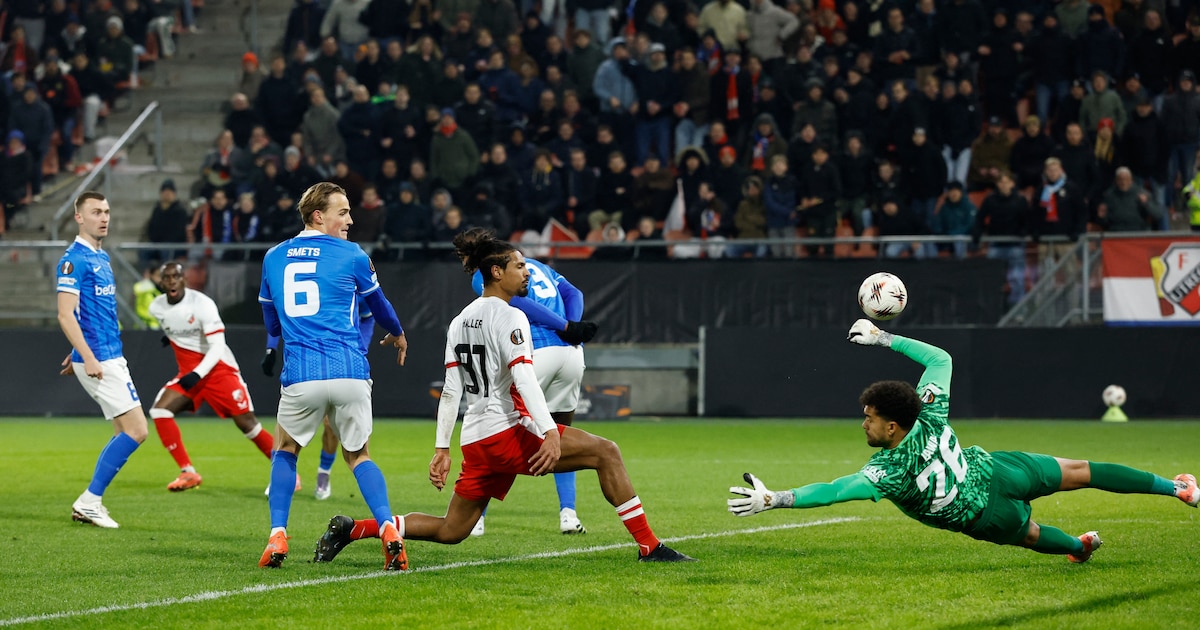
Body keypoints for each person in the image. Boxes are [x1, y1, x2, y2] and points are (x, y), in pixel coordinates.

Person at [312, 229, 694, 564]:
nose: (526, 272)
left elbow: (451, 390)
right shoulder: (512, 317)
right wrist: (549, 431)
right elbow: (525, 380)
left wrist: (442, 448)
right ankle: (650, 546)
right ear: (497, 272)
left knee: (452, 529)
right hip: (507, 430)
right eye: (520, 266)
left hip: (477, 437)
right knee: (606, 452)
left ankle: (352, 529)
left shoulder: (459, 320)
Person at [727, 319, 1200, 562]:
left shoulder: (888, 472)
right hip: (997, 469)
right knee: (1083, 471)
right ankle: (1178, 489)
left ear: (892, 426)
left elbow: (833, 491)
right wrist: (883, 339)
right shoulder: (928, 412)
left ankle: (1078, 547)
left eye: (869, 418)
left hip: (984, 515)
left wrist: (777, 499)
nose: (864, 424)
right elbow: (941, 358)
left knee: (1033, 536)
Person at [257, 181, 410, 570]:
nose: (350, 219)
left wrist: (282, 338)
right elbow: (380, 307)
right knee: (358, 455)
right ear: (317, 216)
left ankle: (277, 534)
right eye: (342, 212)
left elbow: (271, 318)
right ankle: (389, 529)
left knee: (286, 451)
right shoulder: (353, 255)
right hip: (349, 370)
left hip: (301, 374)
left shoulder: (273, 257)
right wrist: (397, 333)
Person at [467, 253, 599, 536]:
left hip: (535, 352)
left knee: (502, 433)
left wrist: (564, 327)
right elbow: (573, 292)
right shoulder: (537, 266)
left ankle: (475, 517)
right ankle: (569, 515)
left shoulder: (489, 274)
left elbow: (515, 301)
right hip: (572, 355)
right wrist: (571, 329)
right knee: (562, 432)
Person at [56, 192, 148, 529]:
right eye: (96, 212)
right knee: (138, 430)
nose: (104, 218)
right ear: (79, 217)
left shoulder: (102, 257)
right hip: (101, 360)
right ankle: (90, 500)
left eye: (107, 211)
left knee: (124, 430)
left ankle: (91, 502)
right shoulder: (74, 260)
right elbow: (65, 314)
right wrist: (87, 356)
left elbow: (88, 314)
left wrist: (77, 352)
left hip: (105, 354)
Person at [146, 262, 276, 491]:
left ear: (184, 279)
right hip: (189, 374)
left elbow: (217, 346)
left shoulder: (202, 304)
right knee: (160, 410)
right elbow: (177, 327)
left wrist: (197, 373)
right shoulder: (156, 307)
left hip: (218, 370)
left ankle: (286, 474)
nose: (172, 281)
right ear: (161, 283)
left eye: (176, 276)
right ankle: (188, 473)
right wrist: (172, 338)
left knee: (247, 424)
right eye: (167, 277)